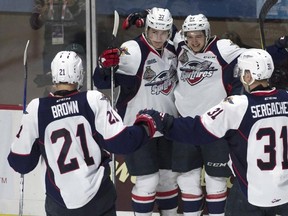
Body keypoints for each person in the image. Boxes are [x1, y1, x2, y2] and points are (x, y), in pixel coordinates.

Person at [7, 51, 159, 216]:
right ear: (80, 74)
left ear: (53, 74)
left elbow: (21, 164)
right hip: (99, 200)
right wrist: (146, 125)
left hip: (59, 204)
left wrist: (37, 142)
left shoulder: (36, 108)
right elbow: (122, 142)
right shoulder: (93, 100)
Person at [139, 48, 288, 216]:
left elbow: (197, 130)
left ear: (248, 75)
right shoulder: (286, 98)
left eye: (242, 73)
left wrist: (161, 120)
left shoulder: (238, 106)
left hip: (251, 194)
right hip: (284, 193)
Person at [93, 7, 179, 216]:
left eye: (163, 33)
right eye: (154, 32)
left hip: (167, 125)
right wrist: (104, 66)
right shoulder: (132, 50)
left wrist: (143, 11)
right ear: (146, 29)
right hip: (139, 127)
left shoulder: (174, 48)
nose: (158, 38)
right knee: (148, 181)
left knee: (168, 180)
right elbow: (102, 81)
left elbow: (176, 31)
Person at [30, 0, 86, 88]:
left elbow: (85, 21)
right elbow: (34, 24)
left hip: (74, 41)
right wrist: (42, 15)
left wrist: (72, 6)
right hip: (52, 44)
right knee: (50, 81)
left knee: (75, 79)